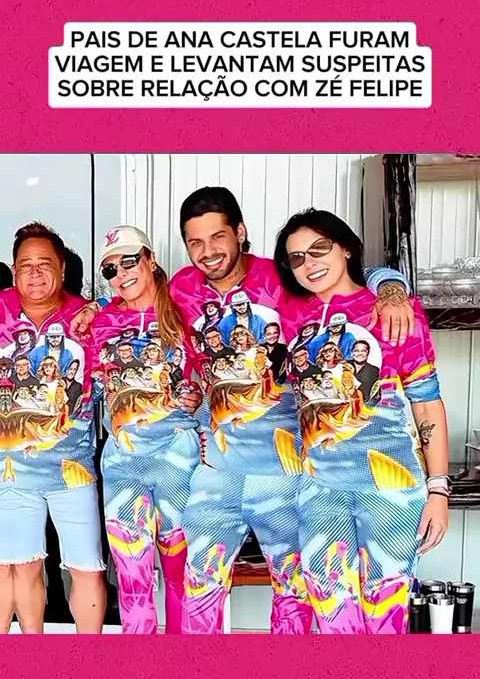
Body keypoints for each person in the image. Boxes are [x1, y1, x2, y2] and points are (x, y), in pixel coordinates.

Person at [169, 187, 416, 634]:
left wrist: (392, 287)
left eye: (218, 237)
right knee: (199, 586)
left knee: (295, 589)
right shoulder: (183, 286)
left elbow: (347, 276)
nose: (208, 252)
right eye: (195, 242)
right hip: (217, 470)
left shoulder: (281, 278)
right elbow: (148, 313)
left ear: (240, 232)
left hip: (285, 470)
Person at [273, 208, 449, 634]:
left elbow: (427, 404)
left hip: (389, 487)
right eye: (297, 258)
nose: (309, 263)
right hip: (319, 490)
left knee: (385, 613)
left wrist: (439, 491)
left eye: (319, 248)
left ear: (346, 248)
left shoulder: (394, 312)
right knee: (331, 611)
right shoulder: (294, 318)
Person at [89, 225, 203, 634]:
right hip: (124, 463)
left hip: (178, 460)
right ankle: (141, 666)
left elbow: (219, 375)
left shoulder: (186, 309)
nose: (121, 273)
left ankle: (185, 666)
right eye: (110, 269)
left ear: (151, 260)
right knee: (132, 579)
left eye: (129, 261)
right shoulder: (101, 322)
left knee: (183, 576)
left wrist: (200, 398)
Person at [0, 221, 107, 634]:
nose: (35, 273)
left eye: (44, 264)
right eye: (25, 265)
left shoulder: (88, 319)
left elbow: (140, 306)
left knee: (86, 567)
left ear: (62, 269)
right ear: (14, 271)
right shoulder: (1, 310)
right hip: (12, 469)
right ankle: (30, 657)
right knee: (19, 565)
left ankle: (89, 660)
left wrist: (101, 304)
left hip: (72, 468)